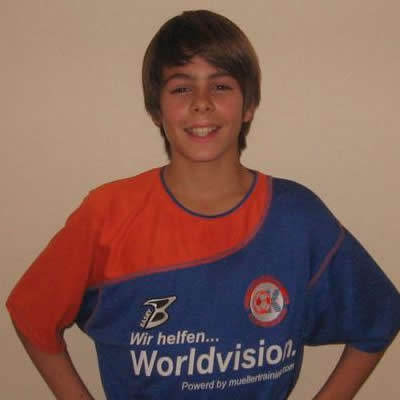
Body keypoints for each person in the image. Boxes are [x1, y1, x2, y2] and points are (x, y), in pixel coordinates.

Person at [6, 9, 400, 400]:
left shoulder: (297, 218)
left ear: (248, 105)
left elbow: (380, 315)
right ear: (156, 109)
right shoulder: (108, 214)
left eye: (221, 86)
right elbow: (31, 312)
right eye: (181, 88)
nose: (201, 103)